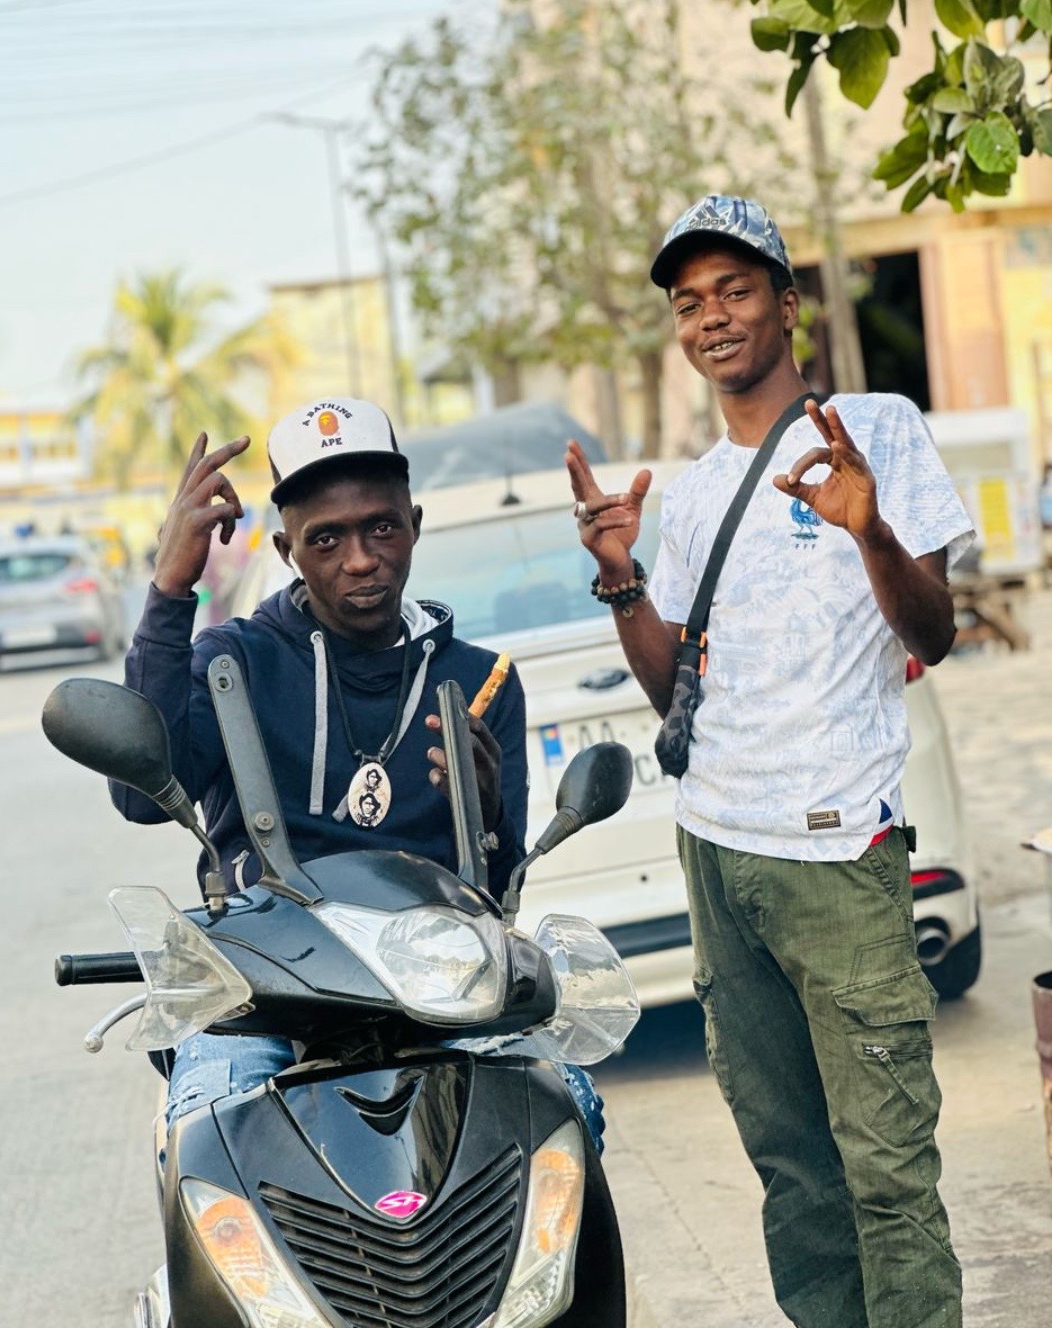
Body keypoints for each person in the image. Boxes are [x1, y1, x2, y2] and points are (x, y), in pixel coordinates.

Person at [566, 196, 973, 1328]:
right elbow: (674, 691)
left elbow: (934, 633)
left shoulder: (878, 429)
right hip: (716, 853)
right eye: (689, 302)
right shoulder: (694, 493)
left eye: (735, 290)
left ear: (788, 305)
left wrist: (870, 530)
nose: (711, 317)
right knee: (794, 1172)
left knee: (887, 1169)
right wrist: (622, 578)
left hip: (836, 852)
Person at [111, 395, 602, 1145]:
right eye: (326, 538)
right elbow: (140, 798)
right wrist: (171, 591)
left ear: (415, 526)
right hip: (264, 993)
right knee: (212, 1136)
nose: (362, 558)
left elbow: (499, 888)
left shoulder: (482, 681)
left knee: (563, 1120)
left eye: (381, 527)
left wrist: (487, 809)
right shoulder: (233, 663)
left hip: (442, 986)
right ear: (287, 551)